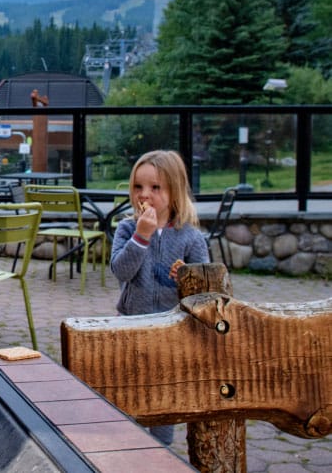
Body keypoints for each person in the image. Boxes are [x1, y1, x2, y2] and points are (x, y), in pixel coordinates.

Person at [110, 149, 209, 446]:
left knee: (165, 397)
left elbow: (205, 288)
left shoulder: (190, 237)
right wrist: (141, 237)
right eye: (138, 187)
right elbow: (121, 271)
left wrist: (187, 280)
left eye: (155, 188)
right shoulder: (128, 228)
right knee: (128, 393)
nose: (145, 195)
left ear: (174, 190)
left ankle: (160, 454)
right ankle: (128, 449)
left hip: (172, 331)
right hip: (131, 326)